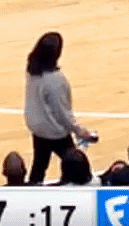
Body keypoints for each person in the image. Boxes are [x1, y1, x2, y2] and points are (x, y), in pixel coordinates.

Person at [23, 32, 93, 183]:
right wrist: (80, 131)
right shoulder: (56, 81)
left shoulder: (32, 67)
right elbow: (63, 114)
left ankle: (32, 189)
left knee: (39, 164)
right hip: (54, 131)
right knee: (75, 164)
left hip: (37, 127)